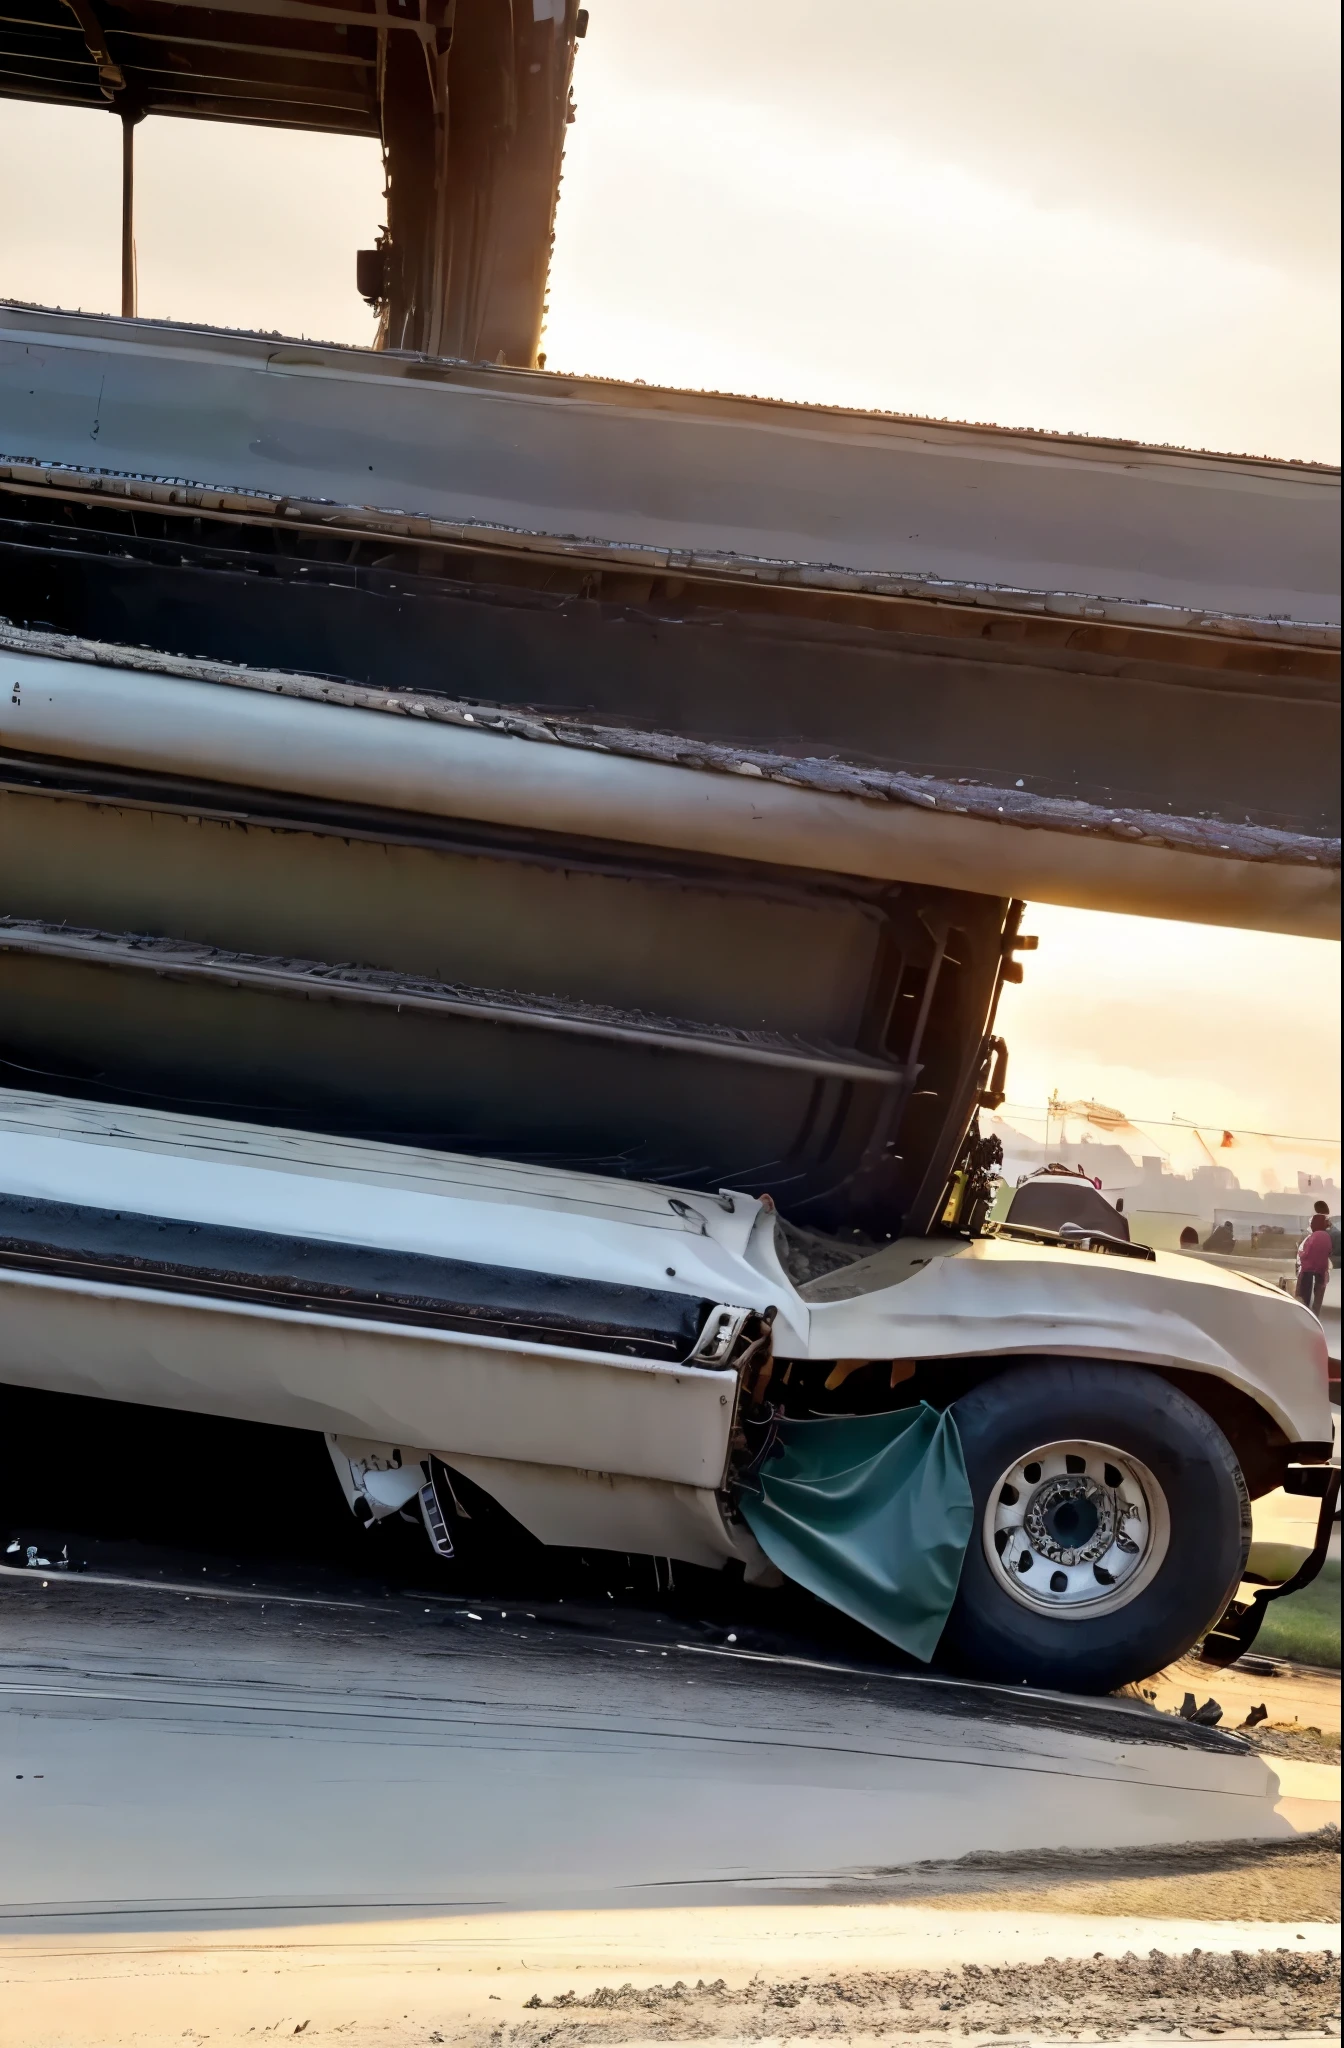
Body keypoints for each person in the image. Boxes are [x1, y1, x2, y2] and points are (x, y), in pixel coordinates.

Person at [1295, 1214, 1333, 1315]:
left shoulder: (1313, 1236)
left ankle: (1304, 1315)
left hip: (1307, 1269)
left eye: (1311, 1223)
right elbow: (1329, 1251)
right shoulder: (1326, 1236)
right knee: (1318, 1296)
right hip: (1322, 1269)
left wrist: (1300, 1254)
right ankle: (1315, 1315)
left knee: (1303, 1295)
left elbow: (1306, 1252)